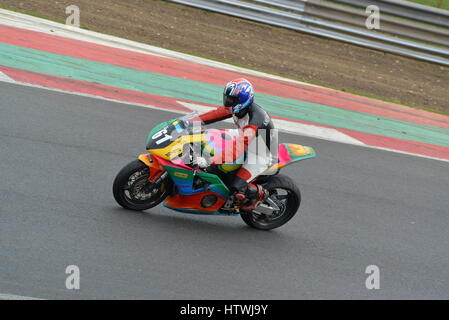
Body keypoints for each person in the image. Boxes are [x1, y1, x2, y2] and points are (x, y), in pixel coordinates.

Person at [193, 78, 278, 210]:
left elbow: (237, 149)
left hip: (259, 151)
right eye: (227, 98)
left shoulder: (254, 120)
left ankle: (257, 196)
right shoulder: (238, 108)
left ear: (242, 101)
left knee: (236, 187)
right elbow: (215, 114)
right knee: (208, 135)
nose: (228, 102)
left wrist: (210, 160)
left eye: (232, 100)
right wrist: (191, 122)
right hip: (244, 136)